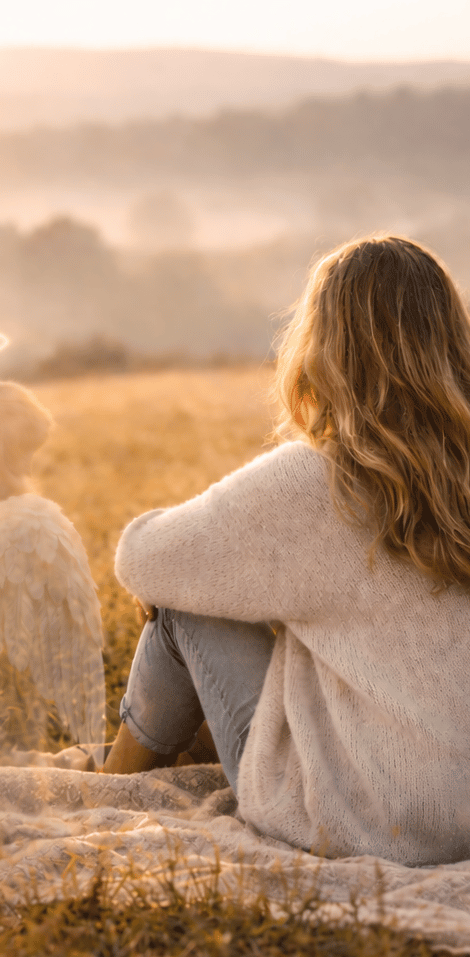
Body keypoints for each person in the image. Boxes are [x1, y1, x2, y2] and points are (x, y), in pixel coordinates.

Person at [102, 235, 470, 866]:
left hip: (365, 821)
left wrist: (208, 579)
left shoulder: (318, 480)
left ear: (325, 345)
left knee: (189, 602)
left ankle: (110, 788)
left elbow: (141, 556)